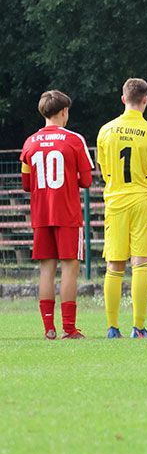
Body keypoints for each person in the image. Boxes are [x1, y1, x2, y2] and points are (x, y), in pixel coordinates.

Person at [96, 78, 147, 339]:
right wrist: (145, 182)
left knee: (114, 265)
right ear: (146, 99)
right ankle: (139, 328)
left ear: (123, 98)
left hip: (115, 201)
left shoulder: (105, 130)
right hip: (142, 201)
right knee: (141, 263)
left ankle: (112, 328)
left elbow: (104, 170)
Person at [20, 90, 93, 339]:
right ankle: (69, 329)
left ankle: (48, 328)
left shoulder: (29, 142)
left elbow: (26, 184)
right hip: (68, 214)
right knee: (70, 268)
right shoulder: (74, 140)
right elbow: (87, 180)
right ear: (63, 112)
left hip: (41, 215)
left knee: (46, 270)